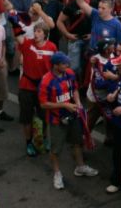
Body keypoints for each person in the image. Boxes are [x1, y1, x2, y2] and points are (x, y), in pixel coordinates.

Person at [37, 51, 97, 190]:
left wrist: (78, 103)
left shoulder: (69, 73)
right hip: (57, 119)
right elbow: (43, 104)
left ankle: (80, 166)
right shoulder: (46, 81)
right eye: (64, 63)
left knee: (77, 142)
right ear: (55, 65)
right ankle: (57, 174)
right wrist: (64, 104)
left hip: (73, 115)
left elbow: (74, 89)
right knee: (56, 149)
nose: (67, 65)